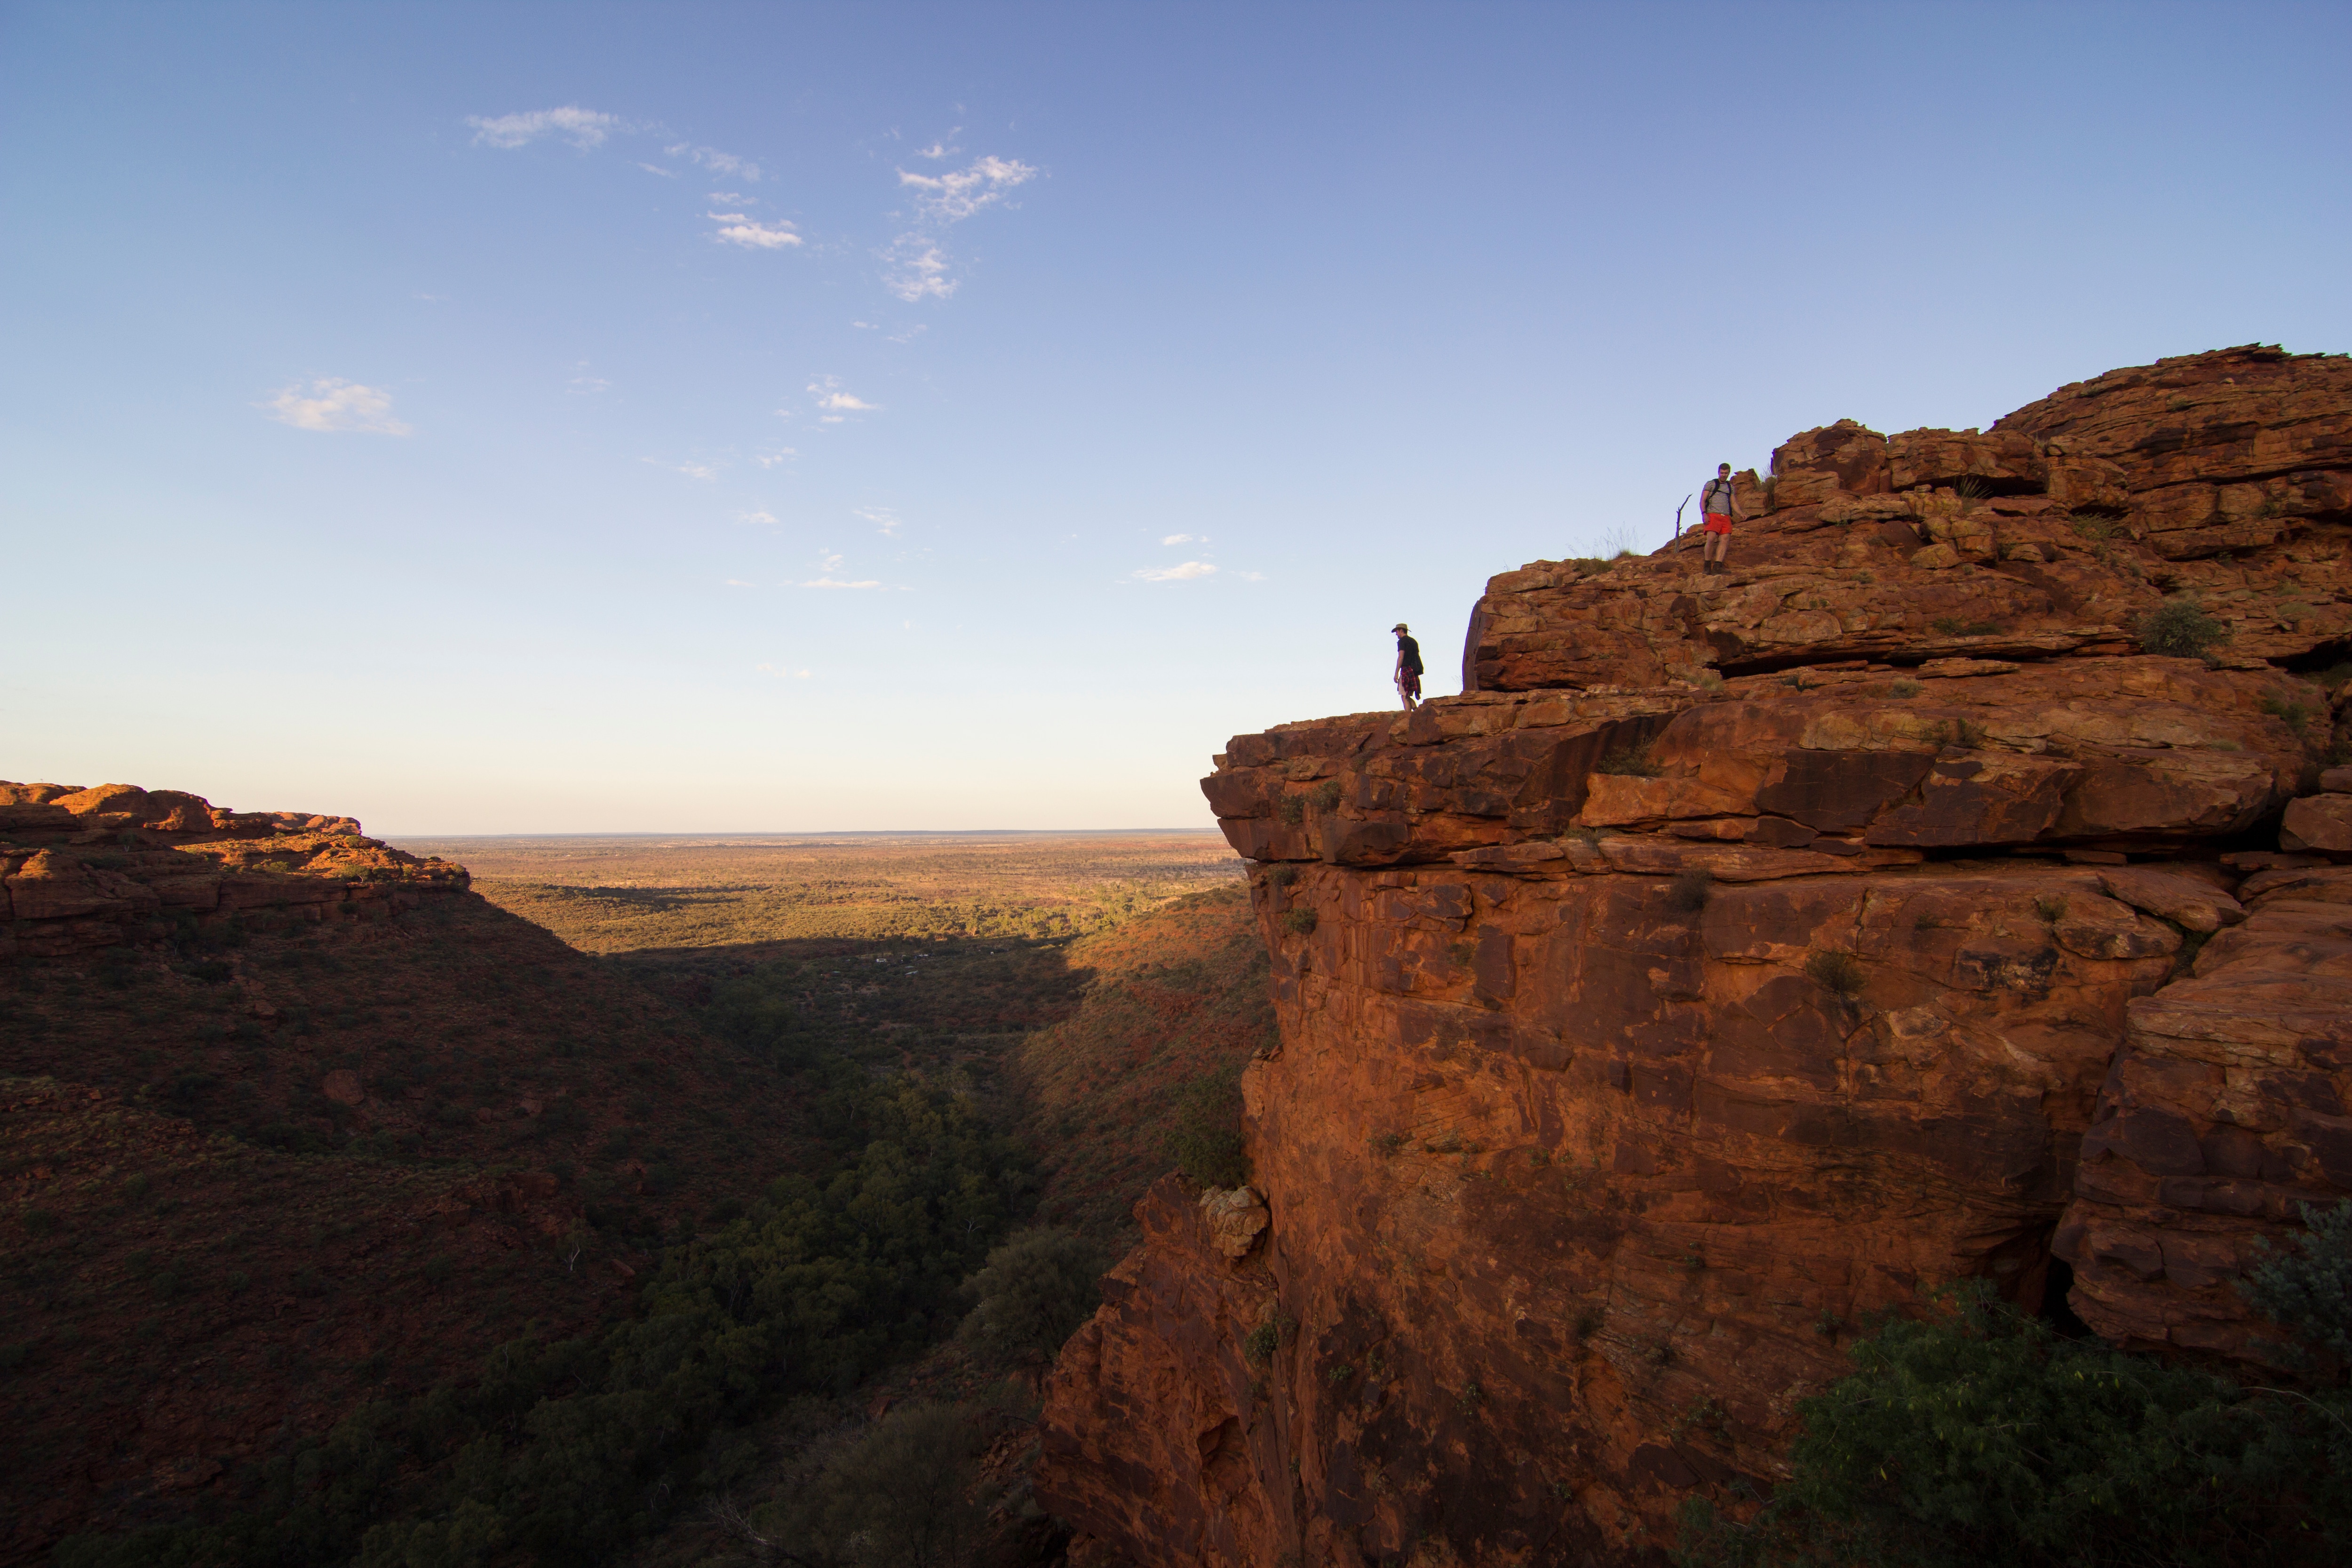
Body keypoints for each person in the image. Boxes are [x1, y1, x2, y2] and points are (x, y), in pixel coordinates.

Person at [1700, 462, 1741, 574]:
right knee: (1711, 539)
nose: (1724, 475)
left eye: (1726, 473)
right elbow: (1703, 500)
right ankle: (1707, 565)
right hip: (1713, 515)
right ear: (1719, 472)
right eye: (1722, 473)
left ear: (1729, 473)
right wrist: (1704, 514)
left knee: (1725, 539)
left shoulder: (1730, 487)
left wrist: (1741, 513)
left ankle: (1718, 566)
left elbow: (1733, 502)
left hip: (1726, 516)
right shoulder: (1711, 484)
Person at [1392, 622, 1423, 710]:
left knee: (1404, 696)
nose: (1396, 634)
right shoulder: (1414, 642)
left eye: (1397, 632)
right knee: (1407, 695)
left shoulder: (1402, 641)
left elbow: (1401, 657)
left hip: (1407, 670)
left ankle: (1408, 717)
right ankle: (1416, 712)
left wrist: (1396, 673)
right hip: (1414, 670)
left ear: (1401, 630)